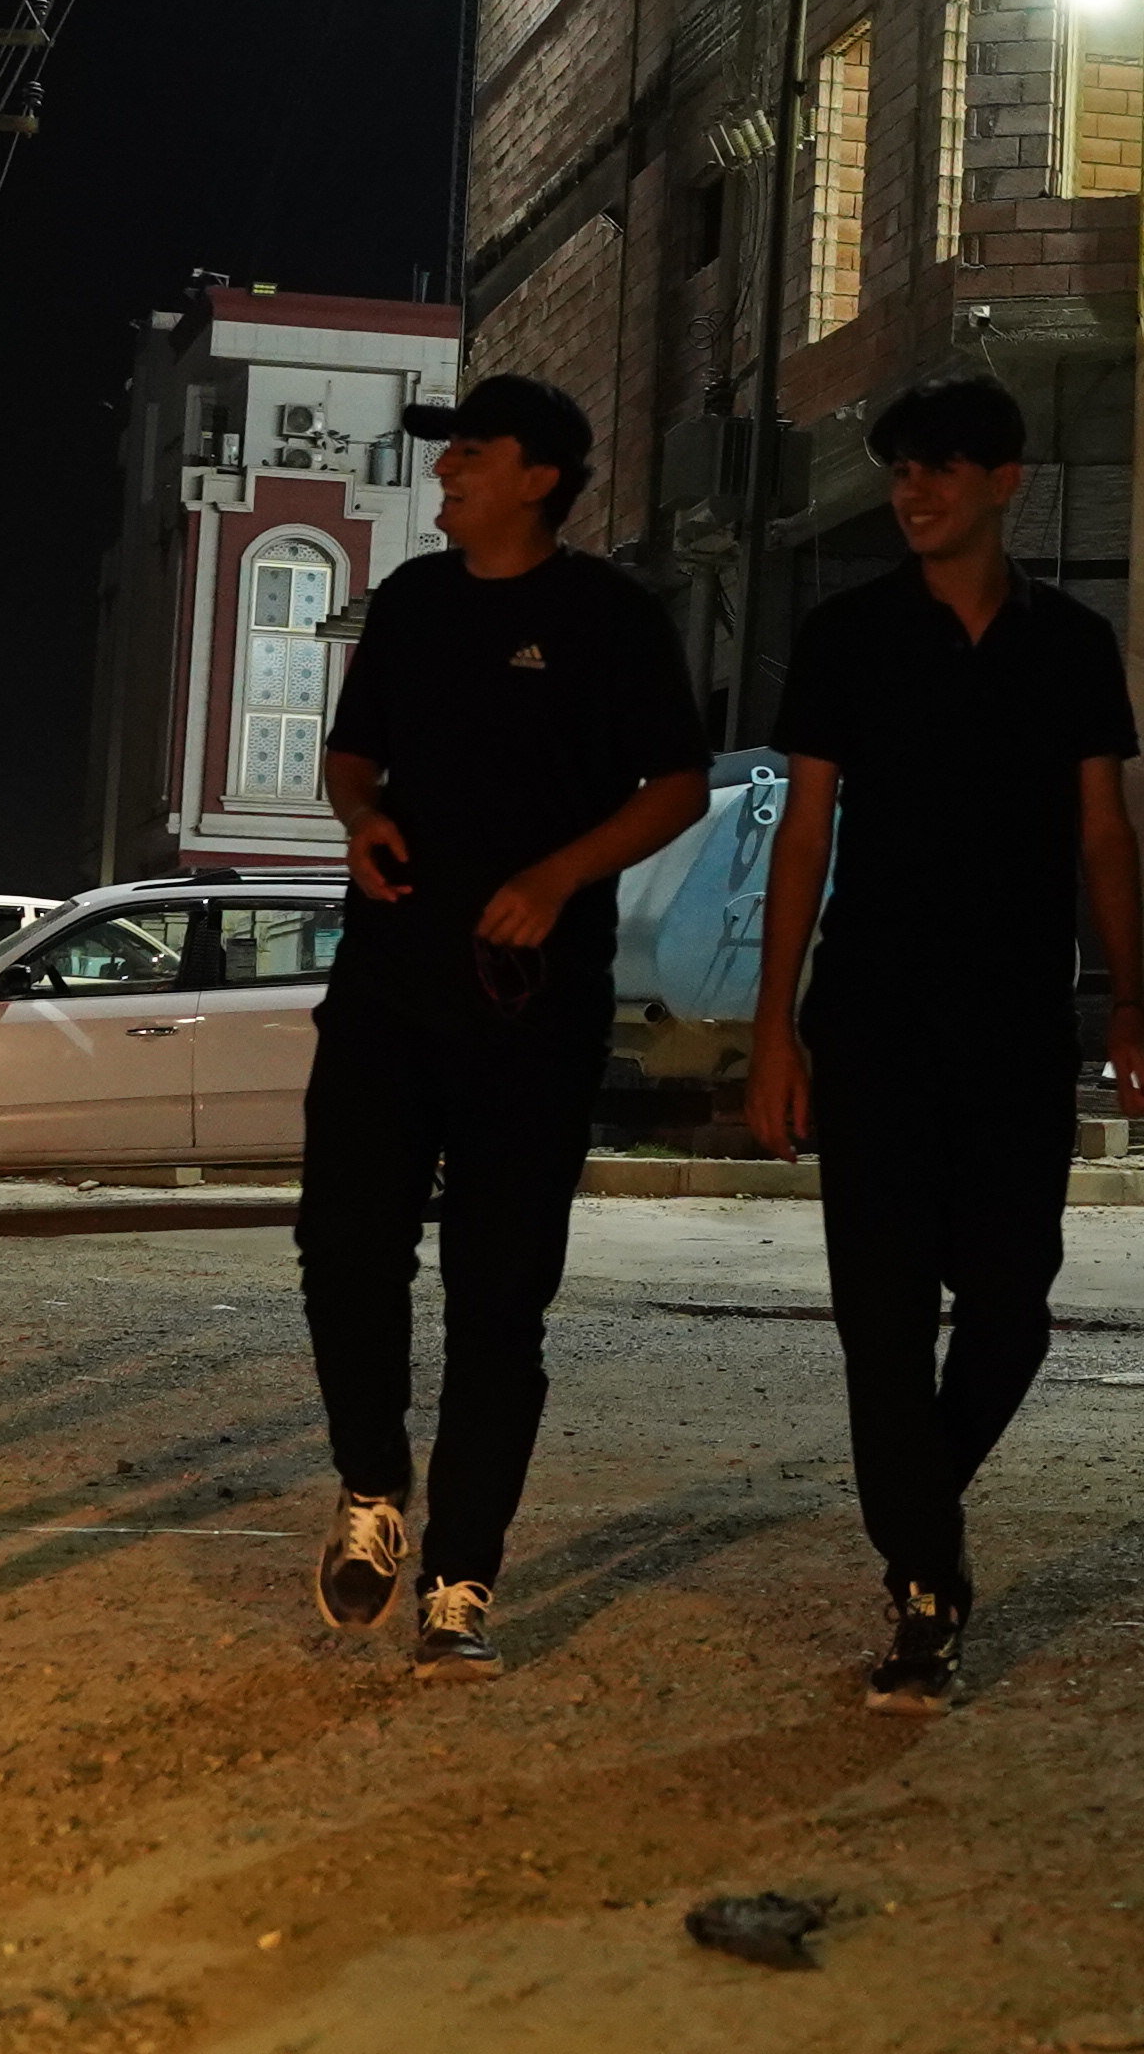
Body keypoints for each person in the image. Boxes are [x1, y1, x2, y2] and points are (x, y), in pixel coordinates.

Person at [745, 371, 1144, 1713]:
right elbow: (803, 831)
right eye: (898, 470)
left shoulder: (1072, 648)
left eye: (936, 468)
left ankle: (916, 1508)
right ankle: (925, 1583)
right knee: (878, 1314)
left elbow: (1104, 829)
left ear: (1002, 483)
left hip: (1014, 1023)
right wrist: (771, 1032)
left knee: (1010, 1311)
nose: (910, 491)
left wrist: (1132, 1003)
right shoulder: (849, 634)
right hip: (867, 1018)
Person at [295, 373, 707, 1685]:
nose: (447, 468)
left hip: (529, 1012)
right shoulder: (413, 603)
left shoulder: (609, 616)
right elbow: (351, 754)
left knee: (497, 1301)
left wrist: (558, 876)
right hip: (386, 986)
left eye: (472, 449)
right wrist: (361, 817)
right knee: (343, 1245)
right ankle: (374, 1486)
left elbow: (682, 785)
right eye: (447, 450)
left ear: (542, 475)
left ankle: (463, 1576)